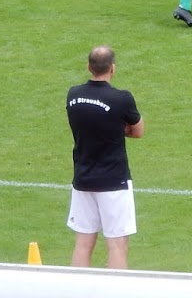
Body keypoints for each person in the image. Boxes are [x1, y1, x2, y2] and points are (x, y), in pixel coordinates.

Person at [66, 45, 144, 269]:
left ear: (88, 67)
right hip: (114, 181)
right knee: (117, 245)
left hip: (82, 179)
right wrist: (117, 128)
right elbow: (138, 131)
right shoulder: (121, 98)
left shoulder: (74, 95)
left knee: (82, 243)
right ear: (113, 68)